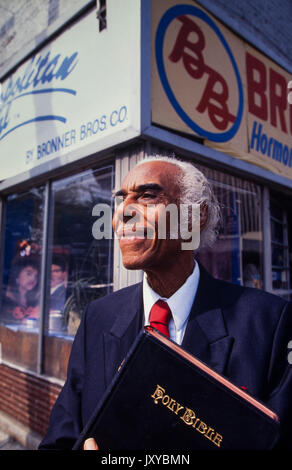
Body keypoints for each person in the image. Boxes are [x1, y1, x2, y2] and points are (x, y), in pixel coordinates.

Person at [39, 156, 292, 450]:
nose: (122, 213)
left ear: (196, 218)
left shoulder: (268, 323)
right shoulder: (99, 317)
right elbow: (59, 440)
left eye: (147, 196)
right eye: (120, 200)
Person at [1, 256, 40, 323]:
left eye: (36, 276)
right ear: (17, 274)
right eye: (29, 274)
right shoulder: (4, 297)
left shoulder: (35, 299)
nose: (33, 279)